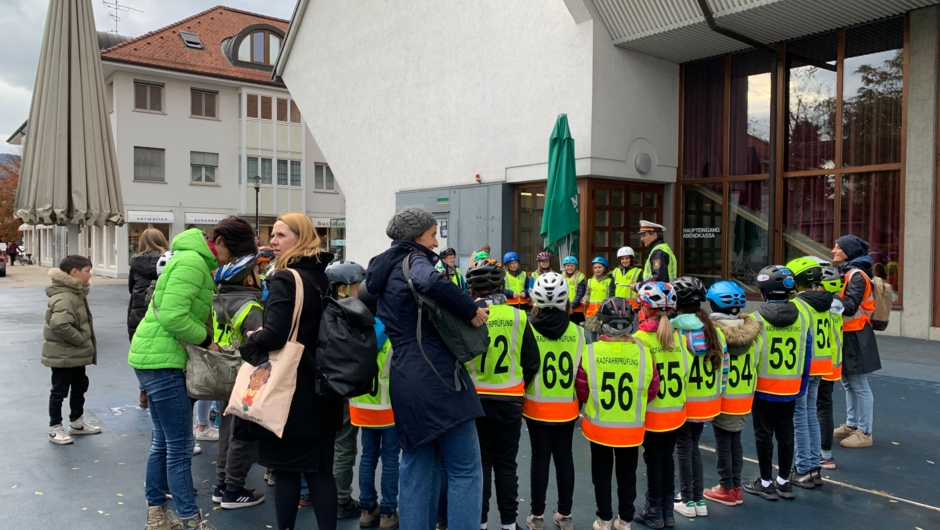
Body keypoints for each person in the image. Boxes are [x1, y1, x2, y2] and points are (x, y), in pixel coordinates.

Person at [130, 216, 257, 530]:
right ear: (222, 243)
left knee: (163, 442)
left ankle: (157, 516)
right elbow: (173, 316)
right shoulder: (193, 263)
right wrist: (206, 341)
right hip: (164, 360)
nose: (233, 262)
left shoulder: (189, 258)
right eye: (235, 254)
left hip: (152, 356)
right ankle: (189, 520)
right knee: (180, 447)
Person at [365, 207, 488, 530]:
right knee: (465, 468)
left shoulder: (384, 268)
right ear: (417, 236)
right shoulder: (415, 260)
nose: (436, 243)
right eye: (433, 234)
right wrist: (470, 309)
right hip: (438, 375)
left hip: (404, 376)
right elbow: (429, 281)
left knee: (417, 467)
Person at [238, 213, 342, 530]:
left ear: (302, 237)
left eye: (281, 235)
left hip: (289, 393)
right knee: (320, 471)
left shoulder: (286, 278)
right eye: (274, 234)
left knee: (286, 471)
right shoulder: (323, 277)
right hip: (322, 386)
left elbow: (276, 335)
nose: (273, 240)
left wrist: (253, 338)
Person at [465, 259, 540, 530]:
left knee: (480, 465)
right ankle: (509, 525)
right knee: (506, 465)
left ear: (471, 289)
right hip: (509, 400)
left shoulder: (466, 315)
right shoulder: (519, 317)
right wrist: (520, 388)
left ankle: (481, 523)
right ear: (501, 284)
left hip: (474, 401)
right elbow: (532, 362)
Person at [576, 297, 659, 530]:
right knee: (628, 474)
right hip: (631, 429)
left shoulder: (591, 351)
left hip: (599, 428)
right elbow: (652, 389)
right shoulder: (643, 353)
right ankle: (625, 519)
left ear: (602, 323)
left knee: (601, 474)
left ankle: (603, 518)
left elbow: (582, 390)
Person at [742, 265, 812, 502]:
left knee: (763, 434)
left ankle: (764, 482)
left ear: (764, 292)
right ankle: (783, 481)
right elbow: (807, 354)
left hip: (762, 388)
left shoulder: (754, 319)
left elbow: (748, 357)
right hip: (790, 387)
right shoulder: (802, 318)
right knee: (786, 432)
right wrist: (801, 386)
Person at [522, 273, 583, 530]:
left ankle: (537, 516)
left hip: (536, 407)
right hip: (567, 408)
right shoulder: (578, 332)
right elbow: (581, 373)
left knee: (539, 458)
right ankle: (565, 515)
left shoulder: (528, 328)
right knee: (564, 457)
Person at [209, 253, 266, 510]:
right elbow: (260, 345)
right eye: (256, 272)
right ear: (247, 279)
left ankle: (221, 484)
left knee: (226, 430)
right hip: (245, 376)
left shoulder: (216, 301)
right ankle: (234, 489)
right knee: (244, 434)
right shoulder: (250, 307)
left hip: (222, 372)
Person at [632, 281, 689, 529]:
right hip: (675, 412)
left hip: (652, 414)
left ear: (645, 309)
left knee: (654, 461)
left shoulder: (640, 340)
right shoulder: (679, 338)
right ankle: (667, 510)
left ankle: (653, 510)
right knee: (667, 459)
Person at [670, 276, 727, 520]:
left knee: (683, 449)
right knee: (692, 447)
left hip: (683, 400)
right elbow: (724, 370)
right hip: (707, 402)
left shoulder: (674, 331)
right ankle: (698, 499)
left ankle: (686, 498)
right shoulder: (714, 331)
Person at [702, 281, 760, 507]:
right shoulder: (754, 332)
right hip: (745, 397)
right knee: (735, 441)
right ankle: (735, 486)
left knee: (723, 444)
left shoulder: (714, 333)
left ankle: (727, 487)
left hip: (722, 396)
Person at [351, 283, 401, 530]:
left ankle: (367, 509)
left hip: (361, 406)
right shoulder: (393, 332)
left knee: (367, 457)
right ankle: (388, 513)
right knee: (391, 459)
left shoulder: (354, 330)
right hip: (389, 407)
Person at [786, 257, 834, 489]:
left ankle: (803, 467)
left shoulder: (799, 305)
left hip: (804, 366)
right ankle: (814, 466)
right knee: (811, 416)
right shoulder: (825, 301)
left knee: (799, 417)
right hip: (822, 364)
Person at [325, 260, 368, 518]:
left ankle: (315, 492)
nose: (360, 291)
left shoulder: (323, 310)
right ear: (342, 288)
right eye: (357, 286)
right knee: (343, 445)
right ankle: (341, 500)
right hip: (342, 391)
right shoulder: (350, 315)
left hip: (324, 386)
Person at [44, 254, 101, 445]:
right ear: (74, 272)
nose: (90, 275)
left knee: (79, 385)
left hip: (73, 353)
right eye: (87, 271)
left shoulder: (75, 293)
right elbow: (59, 325)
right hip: (64, 353)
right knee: (60, 390)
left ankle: (76, 422)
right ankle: (55, 427)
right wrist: (80, 340)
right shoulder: (66, 297)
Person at [831, 235, 881, 449]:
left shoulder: (856, 275)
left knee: (859, 384)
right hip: (851, 333)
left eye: (837, 247)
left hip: (857, 334)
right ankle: (853, 425)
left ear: (848, 251)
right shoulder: (852, 273)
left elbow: (850, 306)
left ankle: (865, 431)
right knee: (848, 382)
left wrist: (826, 296)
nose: (833, 250)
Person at [127, 228, 169, 408]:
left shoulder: (136, 263)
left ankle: (144, 391)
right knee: (164, 351)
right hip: (160, 310)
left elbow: (131, 288)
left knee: (142, 353)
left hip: (138, 312)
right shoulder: (170, 261)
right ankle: (162, 391)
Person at [817, 266, 845, 470]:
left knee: (810, 410)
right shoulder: (838, 305)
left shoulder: (817, 307)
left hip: (816, 363)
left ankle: (815, 454)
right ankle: (826, 454)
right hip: (832, 363)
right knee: (825, 408)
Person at [581, 257, 613, 343]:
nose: (597, 269)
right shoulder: (590, 281)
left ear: (604, 268)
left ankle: (602, 350)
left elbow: (611, 295)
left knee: (604, 333)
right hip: (591, 312)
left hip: (604, 311)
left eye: (600, 267)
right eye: (595, 268)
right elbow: (587, 293)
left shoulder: (609, 281)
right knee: (592, 333)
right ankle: (593, 350)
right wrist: (585, 299)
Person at [561, 256, 586, 325]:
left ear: (576, 267)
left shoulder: (580, 276)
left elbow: (580, 293)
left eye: (572, 266)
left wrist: (571, 306)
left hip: (576, 308)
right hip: (564, 307)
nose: (569, 268)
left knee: (575, 327)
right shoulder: (561, 277)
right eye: (567, 266)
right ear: (564, 267)